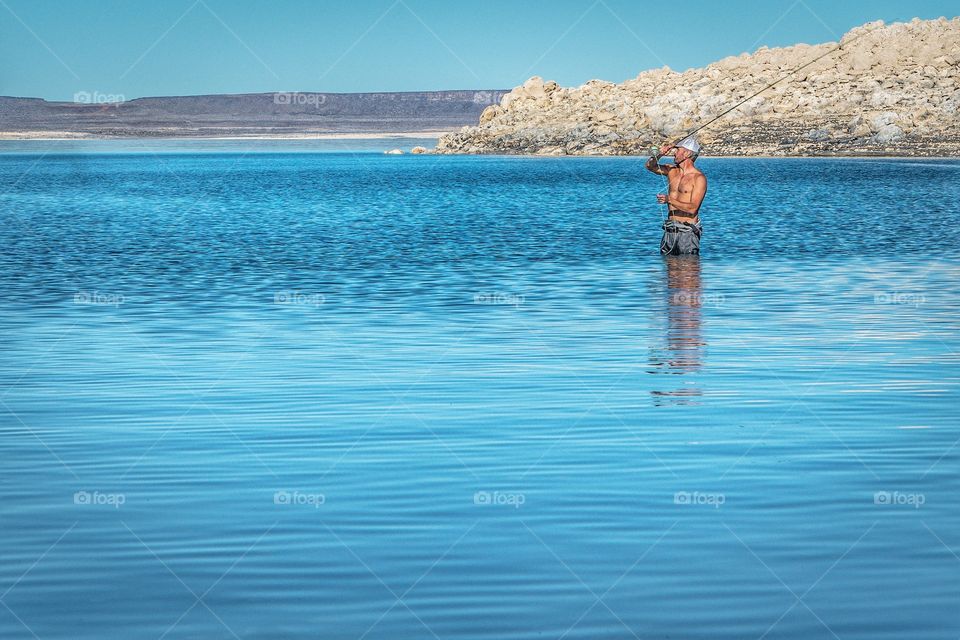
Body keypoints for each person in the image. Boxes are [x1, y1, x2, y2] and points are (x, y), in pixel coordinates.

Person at [645, 136, 708, 255]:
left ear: (687, 154)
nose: (674, 153)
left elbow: (692, 208)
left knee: (688, 270)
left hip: (687, 232)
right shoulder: (671, 171)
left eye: (678, 150)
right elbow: (650, 166)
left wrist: (669, 200)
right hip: (670, 230)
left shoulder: (699, 178)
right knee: (669, 272)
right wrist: (659, 154)